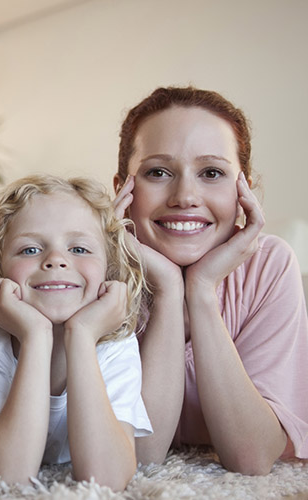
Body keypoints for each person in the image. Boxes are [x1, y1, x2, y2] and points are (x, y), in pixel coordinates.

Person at [113, 86, 308, 474]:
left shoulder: (269, 265)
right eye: (158, 172)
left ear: (244, 190)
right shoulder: (92, 273)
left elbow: (252, 455)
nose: (185, 196)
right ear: (123, 190)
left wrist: (200, 291)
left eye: (212, 172)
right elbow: (138, 453)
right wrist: (168, 291)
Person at [0, 174, 151, 490]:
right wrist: (35, 335)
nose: (55, 260)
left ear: (110, 268)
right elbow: (10, 475)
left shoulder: (115, 344)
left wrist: (81, 335)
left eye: (79, 248)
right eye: (29, 250)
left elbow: (106, 479)